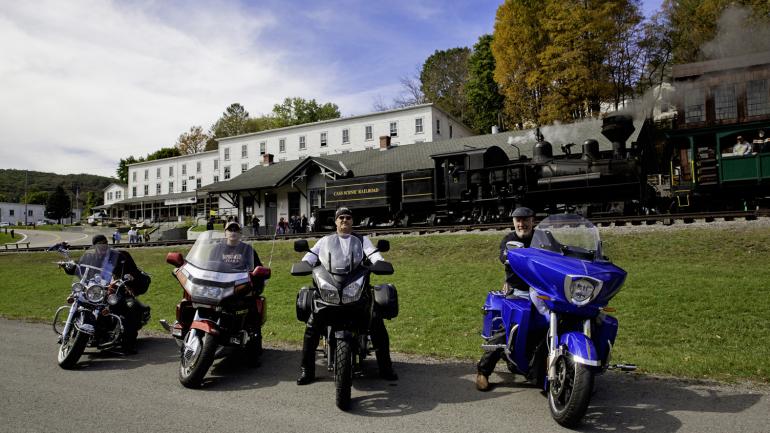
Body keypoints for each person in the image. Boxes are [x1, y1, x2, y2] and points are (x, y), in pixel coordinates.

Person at [297, 207, 398, 385]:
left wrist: (380, 263)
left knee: (375, 321)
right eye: (341, 217)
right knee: (312, 326)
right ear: (335, 221)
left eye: (348, 217)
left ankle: (386, 367)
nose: (344, 220)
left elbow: (375, 256)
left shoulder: (362, 240)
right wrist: (304, 264)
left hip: (355, 288)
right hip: (332, 287)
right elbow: (310, 257)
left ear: (352, 221)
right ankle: (307, 370)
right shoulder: (325, 240)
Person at [475, 206, 536, 391]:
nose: (521, 224)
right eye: (518, 220)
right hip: (518, 292)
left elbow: (557, 254)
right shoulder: (509, 240)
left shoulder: (543, 238)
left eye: (525, 220)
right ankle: (483, 372)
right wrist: (509, 257)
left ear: (533, 221)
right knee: (506, 328)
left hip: (543, 292)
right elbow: (504, 256)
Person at [63, 234, 150, 354]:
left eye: (105, 243)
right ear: (94, 246)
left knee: (126, 310)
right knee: (80, 301)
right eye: (100, 244)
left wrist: (129, 279)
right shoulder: (90, 257)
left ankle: (127, 345)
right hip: (95, 290)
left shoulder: (120, 256)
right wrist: (68, 267)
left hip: (116, 289)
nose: (103, 246)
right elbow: (79, 268)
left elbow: (133, 271)